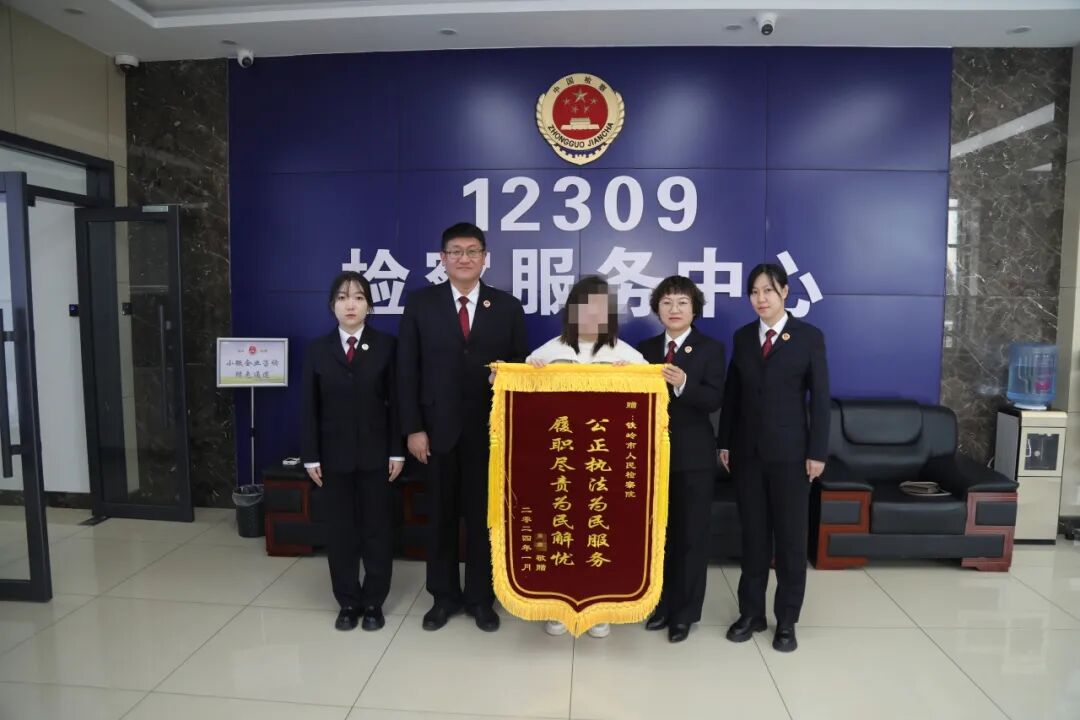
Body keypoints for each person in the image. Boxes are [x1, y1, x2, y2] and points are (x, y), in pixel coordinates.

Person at [397, 222, 528, 632]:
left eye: (472, 251)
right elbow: (407, 370)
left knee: (483, 518)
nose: (464, 258)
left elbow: (519, 370)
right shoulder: (421, 304)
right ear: (443, 259)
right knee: (440, 517)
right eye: (456, 251)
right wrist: (413, 428)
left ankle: (480, 599)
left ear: (485, 258)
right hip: (436, 432)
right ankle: (443, 598)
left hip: (490, 433)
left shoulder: (507, 307)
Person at [717, 263, 830, 653]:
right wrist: (725, 442)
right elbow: (733, 394)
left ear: (784, 291)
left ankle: (786, 620)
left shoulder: (808, 337)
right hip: (747, 454)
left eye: (768, 290)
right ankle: (751, 614)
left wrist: (817, 452)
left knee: (791, 541)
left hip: (792, 456)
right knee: (753, 539)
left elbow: (821, 397)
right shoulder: (743, 337)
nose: (760, 298)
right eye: (754, 292)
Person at [525, 275, 646, 638]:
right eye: (585, 305)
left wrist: (633, 381)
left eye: (600, 307)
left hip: (604, 466)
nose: (593, 313)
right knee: (561, 529)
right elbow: (514, 397)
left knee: (600, 531)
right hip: (560, 463)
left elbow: (649, 406)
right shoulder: (548, 352)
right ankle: (558, 606)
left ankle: (599, 606)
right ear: (572, 311)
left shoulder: (627, 355)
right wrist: (531, 377)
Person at [301, 271, 404, 632]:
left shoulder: (387, 346)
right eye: (343, 297)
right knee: (341, 532)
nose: (350, 304)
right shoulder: (317, 349)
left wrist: (397, 451)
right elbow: (309, 407)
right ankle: (347, 601)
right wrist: (311, 456)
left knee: (377, 530)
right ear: (332, 305)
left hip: (378, 456)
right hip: (333, 457)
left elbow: (397, 402)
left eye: (359, 297)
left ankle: (374, 601)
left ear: (369, 306)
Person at [636, 275, 725, 643]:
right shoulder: (644, 349)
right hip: (650, 457)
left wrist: (684, 384)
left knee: (691, 536)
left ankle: (685, 614)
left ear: (694, 309)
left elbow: (714, 399)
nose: (674, 309)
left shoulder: (711, 348)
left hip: (693, 457)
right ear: (657, 308)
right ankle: (660, 605)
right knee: (659, 535)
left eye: (682, 303)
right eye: (667, 302)